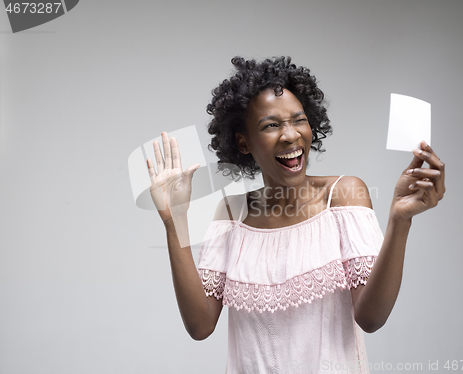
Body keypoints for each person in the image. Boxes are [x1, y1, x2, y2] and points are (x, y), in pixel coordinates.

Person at [146, 57, 445, 373]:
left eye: (298, 120)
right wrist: (174, 219)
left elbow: (371, 318)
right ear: (242, 141)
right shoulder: (232, 214)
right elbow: (200, 324)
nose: (290, 136)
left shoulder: (343, 195)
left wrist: (400, 220)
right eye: (271, 125)